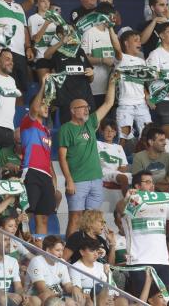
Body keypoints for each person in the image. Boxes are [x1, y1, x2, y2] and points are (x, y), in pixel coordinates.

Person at [58, 72, 117, 237]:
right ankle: (70, 252)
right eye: (82, 107)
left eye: (87, 107)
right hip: (77, 180)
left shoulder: (90, 123)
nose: (86, 110)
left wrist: (112, 81)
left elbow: (108, 102)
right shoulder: (65, 129)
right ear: (72, 110)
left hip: (96, 179)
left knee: (92, 219)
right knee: (75, 218)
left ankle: (88, 249)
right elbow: (62, 157)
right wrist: (69, 180)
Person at [20, 75, 56, 236]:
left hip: (45, 176)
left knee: (43, 218)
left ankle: (41, 249)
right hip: (31, 171)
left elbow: (48, 159)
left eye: (47, 104)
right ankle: (19, 245)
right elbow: (34, 109)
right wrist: (43, 85)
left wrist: (53, 178)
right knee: (26, 213)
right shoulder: (29, 122)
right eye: (43, 104)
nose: (46, 106)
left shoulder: (47, 132)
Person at [43, 25, 95, 125]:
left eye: (73, 31)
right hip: (67, 101)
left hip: (85, 98)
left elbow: (90, 79)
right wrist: (62, 42)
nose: (72, 34)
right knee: (69, 130)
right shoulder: (57, 52)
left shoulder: (80, 51)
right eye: (68, 31)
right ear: (60, 35)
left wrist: (91, 74)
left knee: (89, 130)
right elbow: (46, 55)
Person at [0, 233, 41, 306]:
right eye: (5, 240)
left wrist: (22, 294)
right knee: (3, 299)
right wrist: (8, 295)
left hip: (9, 296)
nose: (9, 243)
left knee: (35, 300)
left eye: (9, 240)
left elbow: (18, 287)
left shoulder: (13, 261)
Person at [81, 2, 116, 112]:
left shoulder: (112, 33)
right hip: (95, 87)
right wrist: (102, 60)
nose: (113, 19)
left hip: (110, 88)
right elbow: (83, 59)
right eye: (111, 16)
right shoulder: (89, 33)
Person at [26, 235, 77, 305]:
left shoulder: (62, 262)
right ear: (48, 250)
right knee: (47, 297)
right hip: (35, 295)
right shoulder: (37, 261)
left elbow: (67, 285)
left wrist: (76, 290)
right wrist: (60, 298)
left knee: (72, 301)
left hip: (57, 295)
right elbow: (41, 288)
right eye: (57, 250)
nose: (61, 253)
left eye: (62, 250)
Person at [132, 127, 169, 192]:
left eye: (164, 140)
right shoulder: (139, 157)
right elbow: (137, 182)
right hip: (147, 194)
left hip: (165, 192)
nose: (165, 143)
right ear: (151, 142)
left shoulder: (168, 156)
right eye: (161, 140)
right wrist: (158, 186)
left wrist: (162, 182)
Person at [68, 238, 110, 305]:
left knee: (122, 299)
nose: (96, 254)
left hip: (104, 297)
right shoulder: (75, 268)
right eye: (92, 251)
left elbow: (110, 288)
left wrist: (108, 276)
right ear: (82, 252)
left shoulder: (101, 266)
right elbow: (77, 290)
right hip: (88, 300)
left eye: (96, 250)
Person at [27, 0, 56, 80]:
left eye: (48, 1)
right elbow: (35, 40)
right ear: (36, 4)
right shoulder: (33, 18)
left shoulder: (55, 18)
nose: (46, 3)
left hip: (55, 57)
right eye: (43, 1)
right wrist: (46, 23)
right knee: (46, 87)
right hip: (41, 57)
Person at [97, 118, 131, 193]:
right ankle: (127, 201)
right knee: (123, 178)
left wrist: (122, 169)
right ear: (102, 132)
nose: (109, 133)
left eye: (112, 131)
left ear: (115, 133)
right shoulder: (97, 144)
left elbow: (124, 166)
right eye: (107, 130)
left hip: (118, 173)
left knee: (138, 178)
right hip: (105, 173)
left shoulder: (119, 147)